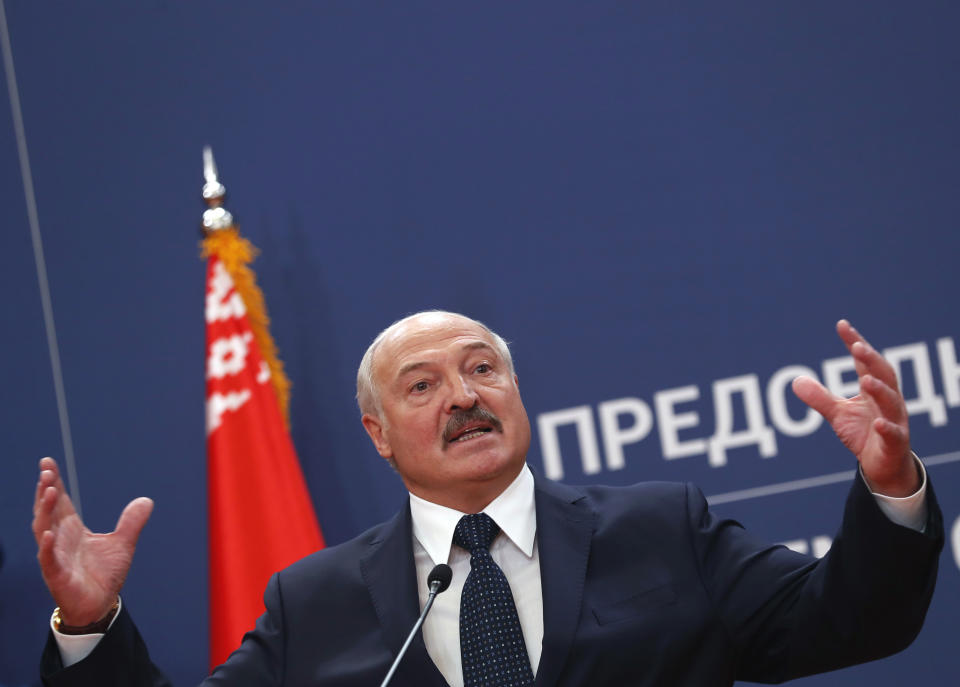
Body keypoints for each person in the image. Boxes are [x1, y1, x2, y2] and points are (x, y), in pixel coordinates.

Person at [33, 312, 943, 686]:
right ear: (376, 434)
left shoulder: (663, 528)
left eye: (482, 369)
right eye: (422, 385)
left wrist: (889, 485)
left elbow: (851, 620)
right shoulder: (312, 604)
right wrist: (89, 627)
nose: (464, 394)